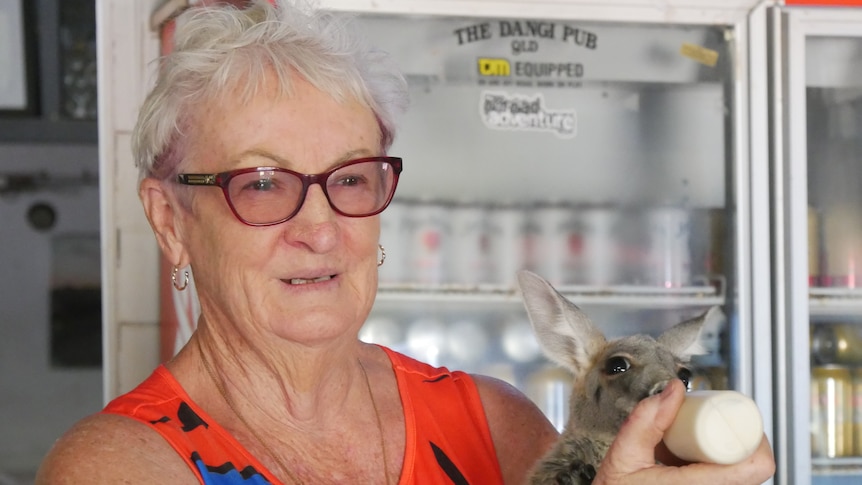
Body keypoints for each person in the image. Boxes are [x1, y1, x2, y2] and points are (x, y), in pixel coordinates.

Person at [36, 1, 776, 483]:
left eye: (350, 179)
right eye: (263, 182)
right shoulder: (121, 465)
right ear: (170, 222)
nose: (320, 227)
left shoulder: (495, 423)